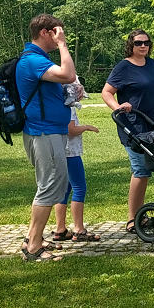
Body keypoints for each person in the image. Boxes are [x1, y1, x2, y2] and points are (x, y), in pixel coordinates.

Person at [15, 14, 76, 262]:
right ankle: (33, 247)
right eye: (57, 32)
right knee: (50, 185)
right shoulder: (32, 60)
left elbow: (63, 81)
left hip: (50, 130)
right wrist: (62, 45)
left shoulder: (38, 60)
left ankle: (34, 238)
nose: (62, 36)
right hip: (44, 131)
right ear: (45, 33)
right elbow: (68, 74)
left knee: (52, 185)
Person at [101, 30, 154, 234]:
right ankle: (132, 219)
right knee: (140, 170)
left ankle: (140, 215)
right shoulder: (123, 67)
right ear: (131, 45)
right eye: (138, 43)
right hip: (132, 126)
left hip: (152, 125)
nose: (143, 46)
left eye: (146, 42)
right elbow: (106, 92)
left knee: (146, 171)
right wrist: (118, 107)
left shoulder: (152, 65)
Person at [50, 77, 101, 243]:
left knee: (65, 188)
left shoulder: (55, 102)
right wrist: (86, 127)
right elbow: (71, 129)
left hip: (60, 149)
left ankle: (60, 229)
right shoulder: (68, 104)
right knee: (80, 187)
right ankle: (78, 229)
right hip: (70, 152)